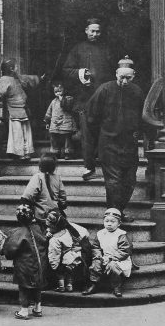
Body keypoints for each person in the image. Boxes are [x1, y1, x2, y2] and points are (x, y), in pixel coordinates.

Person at [61, 18, 118, 180]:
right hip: (84, 99)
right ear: (86, 30)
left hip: (105, 98)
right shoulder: (78, 49)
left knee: (107, 131)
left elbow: (115, 71)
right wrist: (80, 73)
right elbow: (66, 70)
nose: (95, 34)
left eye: (97, 31)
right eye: (92, 31)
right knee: (87, 133)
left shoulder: (107, 49)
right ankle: (89, 166)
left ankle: (109, 166)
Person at [86, 67, 144, 222]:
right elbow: (91, 116)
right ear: (116, 74)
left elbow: (143, 115)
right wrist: (102, 135)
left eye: (128, 78)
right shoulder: (104, 89)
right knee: (114, 182)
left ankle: (118, 211)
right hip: (109, 144)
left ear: (134, 76)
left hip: (129, 144)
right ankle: (114, 215)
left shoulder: (137, 91)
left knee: (129, 181)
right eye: (122, 77)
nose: (125, 81)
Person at [0, 58, 40, 160]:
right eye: (16, 66)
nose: (18, 68)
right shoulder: (4, 80)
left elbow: (27, 80)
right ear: (11, 69)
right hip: (13, 112)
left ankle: (26, 152)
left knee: (25, 133)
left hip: (23, 110)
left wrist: (39, 78)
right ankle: (20, 153)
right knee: (17, 133)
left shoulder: (16, 78)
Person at [4, 204, 48, 320]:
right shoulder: (39, 229)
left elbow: (9, 251)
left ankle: (24, 311)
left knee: (24, 288)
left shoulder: (18, 233)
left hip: (25, 267)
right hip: (40, 264)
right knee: (37, 286)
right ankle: (38, 308)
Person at [82, 208, 133, 298]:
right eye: (106, 221)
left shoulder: (121, 234)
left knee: (113, 266)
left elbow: (124, 251)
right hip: (105, 257)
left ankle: (116, 287)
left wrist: (111, 259)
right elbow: (96, 247)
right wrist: (99, 256)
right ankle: (94, 284)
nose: (109, 224)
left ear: (119, 223)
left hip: (119, 259)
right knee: (96, 263)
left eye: (113, 221)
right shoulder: (100, 233)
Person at [45, 209, 90, 293]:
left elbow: (85, 240)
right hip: (64, 253)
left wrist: (80, 247)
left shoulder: (73, 229)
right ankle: (65, 285)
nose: (49, 228)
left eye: (51, 226)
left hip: (75, 251)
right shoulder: (53, 234)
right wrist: (48, 233)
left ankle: (82, 284)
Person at [20, 153, 67, 223]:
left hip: (40, 217)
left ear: (40, 165)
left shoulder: (37, 177)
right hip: (54, 216)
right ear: (54, 167)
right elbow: (63, 198)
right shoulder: (57, 178)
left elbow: (27, 197)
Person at [44, 82, 77, 159]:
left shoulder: (69, 98)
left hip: (66, 121)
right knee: (54, 138)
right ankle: (56, 152)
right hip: (55, 122)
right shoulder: (53, 101)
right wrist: (47, 121)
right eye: (56, 92)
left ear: (64, 90)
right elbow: (49, 111)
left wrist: (62, 99)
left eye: (60, 91)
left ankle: (67, 152)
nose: (58, 93)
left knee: (67, 139)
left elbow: (68, 106)